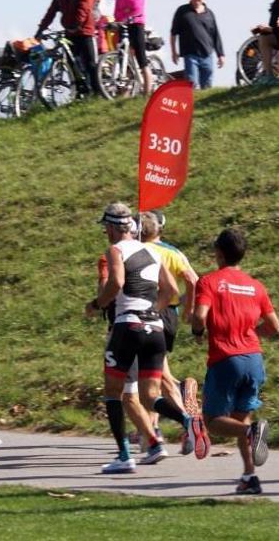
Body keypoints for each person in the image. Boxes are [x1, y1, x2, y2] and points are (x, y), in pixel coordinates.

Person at [85, 203, 209, 474]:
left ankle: (123, 456)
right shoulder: (153, 252)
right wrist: (154, 309)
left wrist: (97, 304)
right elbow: (172, 289)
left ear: (112, 228)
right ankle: (187, 421)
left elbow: (116, 283)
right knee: (150, 396)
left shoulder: (115, 250)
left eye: (106, 227)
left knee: (113, 393)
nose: (105, 232)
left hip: (127, 327)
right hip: (154, 329)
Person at [191, 229, 279, 495]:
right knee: (242, 416)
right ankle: (250, 477)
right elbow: (274, 326)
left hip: (225, 358)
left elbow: (199, 316)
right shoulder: (255, 285)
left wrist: (198, 332)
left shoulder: (209, 282)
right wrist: (252, 333)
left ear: (218, 253)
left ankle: (253, 432)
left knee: (213, 420)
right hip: (254, 358)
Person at [138, 212, 199, 454]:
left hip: (150, 312)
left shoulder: (137, 251)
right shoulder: (173, 252)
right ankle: (154, 431)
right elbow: (194, 280)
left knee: (156, 377)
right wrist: (187, 308)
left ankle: (185, 422)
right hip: (170, 313)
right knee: (155, 375)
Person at [95, 249, 160, 462]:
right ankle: (154, 441)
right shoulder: (150, 255)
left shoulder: (112, 257)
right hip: (152, 326)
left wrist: (98, 296)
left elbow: (106, 291)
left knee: (122, 394)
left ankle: (128, 453)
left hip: (124, 331)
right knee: (139, 394)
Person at [35, 0, 101, 96]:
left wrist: (76, 25)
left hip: (85, 32)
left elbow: (84, 8)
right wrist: (40, 30)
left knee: (90, 64)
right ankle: (80, 92)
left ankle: (97, 93)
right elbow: (50, 13)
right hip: (70, 34)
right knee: (71, 65)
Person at [170, 0, 226, 90]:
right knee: (191, 83)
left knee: (207, 85)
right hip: (190, 54)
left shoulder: (209, 13)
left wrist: (221, 55)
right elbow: (173, 33)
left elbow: (216, 35)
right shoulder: (182, 11)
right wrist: (174, 52)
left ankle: (204, 105)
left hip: (207, 54)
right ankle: (191, 104)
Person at [112, 0, 153, 94]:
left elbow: (136, 6)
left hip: (137, 25)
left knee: (141, 60)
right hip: (125, 26)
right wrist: (123, 15)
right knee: (125, 59)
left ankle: (147, 94)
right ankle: (125, 94)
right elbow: (117, 13)